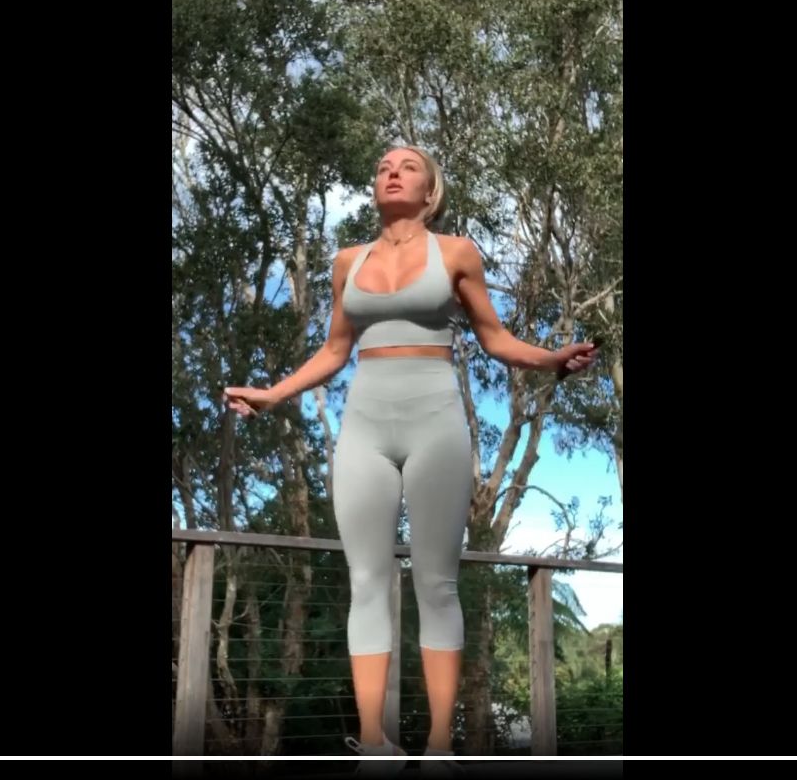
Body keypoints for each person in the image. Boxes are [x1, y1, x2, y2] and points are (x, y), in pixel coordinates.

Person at [223, 145, 597, 774]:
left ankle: (440, 750)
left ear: (430, 192)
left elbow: (495, 338)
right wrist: (273, 393)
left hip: (436, 424)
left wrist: (552, 359)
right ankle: (375, 749)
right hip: (364, 426)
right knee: (366, 580)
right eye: (383, 168)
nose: (392, 172)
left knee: (436, 582)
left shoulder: (457, 253)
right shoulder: (348, 262)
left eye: (408, 167)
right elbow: (334, 351)